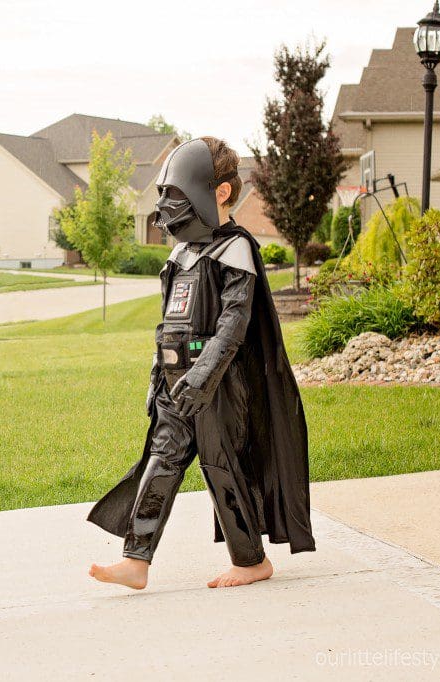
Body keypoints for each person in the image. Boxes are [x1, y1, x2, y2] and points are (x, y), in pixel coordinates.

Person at [87, 137, 315, 590]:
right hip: (177, 381)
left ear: (219, 193)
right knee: (162, 461)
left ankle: (250, 561)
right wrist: (160, 375)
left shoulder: (234, 250)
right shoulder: (180, 255)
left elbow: (234, 323)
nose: (168, 206)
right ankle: (136, 559)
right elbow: (169, 323)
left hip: (219, 384)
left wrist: (205, 374)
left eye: (178, 194)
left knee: (221, 464)